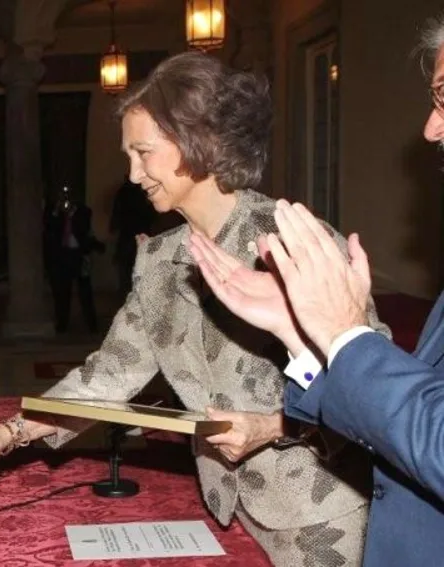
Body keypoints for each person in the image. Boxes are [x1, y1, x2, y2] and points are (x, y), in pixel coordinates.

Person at [0, 51, 386, 565]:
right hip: (228, 505)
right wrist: (7, 434)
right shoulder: (160, 260)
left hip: (319, 513)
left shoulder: (294, 243)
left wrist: (271, 427)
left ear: (197, 141)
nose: (133, 173)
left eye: (143, 152)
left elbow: (374, 391)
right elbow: (109, 374)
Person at [186, 15, 444, 565]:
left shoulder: (280, 227)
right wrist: (301, 341)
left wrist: (345, 335)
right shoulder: (162, 253)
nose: (430, 127)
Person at [43, 186, 103, 333]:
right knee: (62, 293)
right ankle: (62, 324)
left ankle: (92, 325)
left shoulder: (84, 212)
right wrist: (57, 213)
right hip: (62, 256)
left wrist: (72, 214)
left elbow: (84, 230)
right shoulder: (54, 212)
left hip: (79, 255)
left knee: (85, 292)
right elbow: (49, 227)